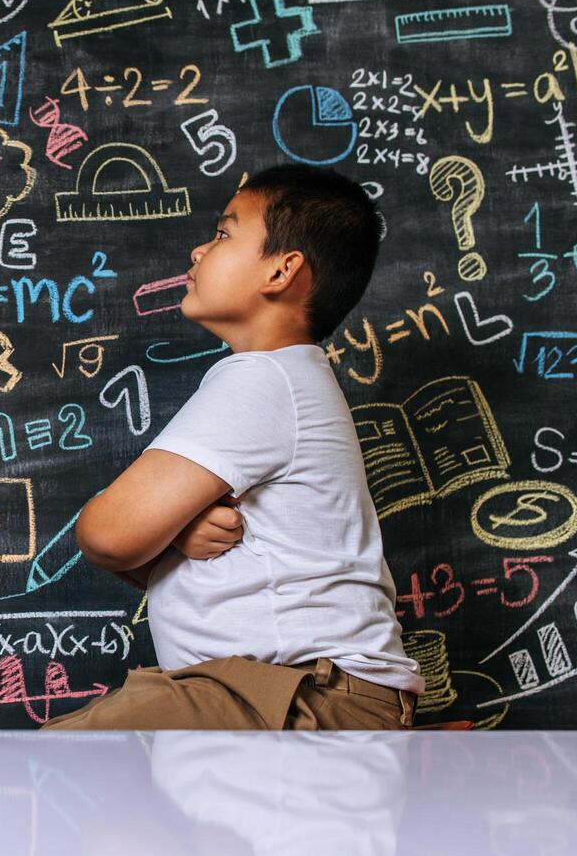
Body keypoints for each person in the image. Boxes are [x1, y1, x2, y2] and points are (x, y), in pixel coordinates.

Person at [41, 163, 424, 731]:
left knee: (66, 775)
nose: (198, 251)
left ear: (281, 269)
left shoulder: (262, 380)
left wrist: (165, 536)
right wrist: (177, 536)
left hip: (303, 694)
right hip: (284, 691)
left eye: (223, 234)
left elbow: (108, 533)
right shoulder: (288, 380)